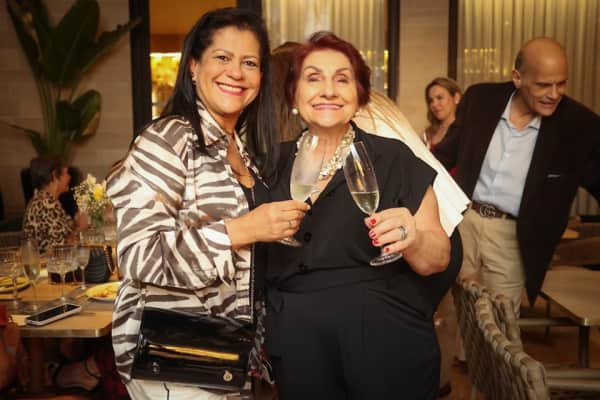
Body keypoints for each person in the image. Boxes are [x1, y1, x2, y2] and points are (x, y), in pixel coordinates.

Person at [107, 8, 308, 399]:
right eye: (222, 57)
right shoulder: (168, 139)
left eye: (249, 63)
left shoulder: (242, 150)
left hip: (226, 350)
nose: (236, 72)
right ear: (194, 66)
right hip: (174, 351)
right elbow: (137, 254)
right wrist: (243, 229)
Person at [264, 32, 451, 399]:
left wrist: (413, 239)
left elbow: (439, 257)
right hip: (299, 345)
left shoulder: (393, 158)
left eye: (342, 79)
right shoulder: (270, 164)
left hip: (384, 340)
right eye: (313, 78)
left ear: (360, 93)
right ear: (293, 93)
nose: (328, 91)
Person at [434, 37, 600, 314]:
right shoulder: (480, 100)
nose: (554, 94)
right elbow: (443, 156)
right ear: (518, 78)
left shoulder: (578, 126)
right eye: (543, 85)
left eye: (561, 83)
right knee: (457, 312)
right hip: (465, 223)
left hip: (512, 237)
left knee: (499, 323)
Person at [23, 156, 88, 254]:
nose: (69, 177)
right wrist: (81, 228)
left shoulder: (48, 200)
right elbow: (64, 248)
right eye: (66, 173)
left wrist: (76, 222)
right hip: (49, 262)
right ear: (54, 176)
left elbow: (65, 234)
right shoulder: (45, 204)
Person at [423, 77, 462, 150]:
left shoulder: (464, 131)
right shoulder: (428, 133)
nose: (434, 104)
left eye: (439, 98)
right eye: (431, 100)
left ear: (456, 97)